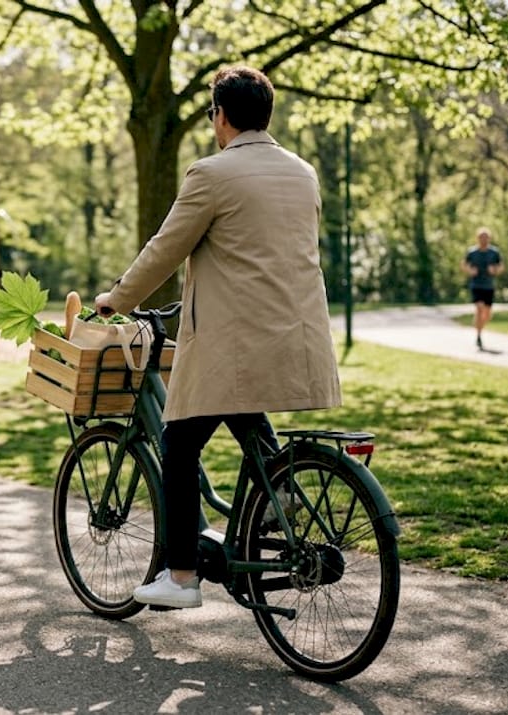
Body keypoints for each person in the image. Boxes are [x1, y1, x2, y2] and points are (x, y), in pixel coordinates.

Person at [94, 66, 341, 610]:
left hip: (235, 342)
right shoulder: (303, 172)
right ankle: (279, 500)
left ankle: (181, 577)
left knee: (178, 446)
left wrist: (118, 299)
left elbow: (167, 247)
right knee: (244, 414)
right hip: (299, 336)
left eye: (212, 115)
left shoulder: (211, 173)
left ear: (221, 117)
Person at [462, 227, 504, 350]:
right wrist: (470, 270)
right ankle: (479, 336)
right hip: (476, 285)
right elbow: (464, 264)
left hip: (489, 286)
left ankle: (478, 325)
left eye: (486, 237)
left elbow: (501, 266)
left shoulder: (494, 252)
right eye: (481, 237)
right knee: (479, 309)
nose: (483, 239)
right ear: (477, 238)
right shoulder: (472, 252)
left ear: (489, 238)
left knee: (487, 314)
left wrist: (495, 270)